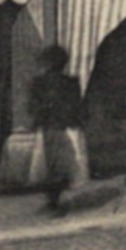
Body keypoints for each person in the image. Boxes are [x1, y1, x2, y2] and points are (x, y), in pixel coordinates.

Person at [28, 45, 87, 213]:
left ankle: (53, 200)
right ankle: (56, 199)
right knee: (65, 162)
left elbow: (32, 107)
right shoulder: (71, 82)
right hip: (66, 125)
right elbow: (77, 106)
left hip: (48, 126)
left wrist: (41, 116)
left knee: (49, 164)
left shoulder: (38, 83)